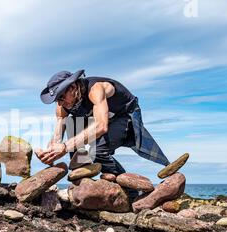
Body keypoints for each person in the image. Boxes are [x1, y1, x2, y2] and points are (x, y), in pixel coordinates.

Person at [38, 69, 175, 182]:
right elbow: (57, 136)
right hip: (98, 118)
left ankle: (128, 191)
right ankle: (81, 174)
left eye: (61, 97)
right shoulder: (62, 105)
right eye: (57, 99)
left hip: (124, 114)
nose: (60, 103)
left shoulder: (96, 89)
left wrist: (65, 147)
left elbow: (101, 126)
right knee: (72, 123)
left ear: (73, 87)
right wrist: (50, 154)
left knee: (97, 150)